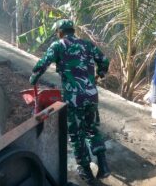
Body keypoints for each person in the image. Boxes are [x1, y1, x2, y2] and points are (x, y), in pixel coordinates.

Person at [29, 19, 111, 184]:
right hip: (91, 95)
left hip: (74, 98)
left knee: (76, 134)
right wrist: (99, 74)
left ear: (60, 32)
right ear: (72, 30)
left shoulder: (58, 45)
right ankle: (103, 165)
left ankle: (86, 171)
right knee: (92, 129)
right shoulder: (87, 45)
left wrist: (33, 78)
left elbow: (43, 64)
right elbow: (104, 60)